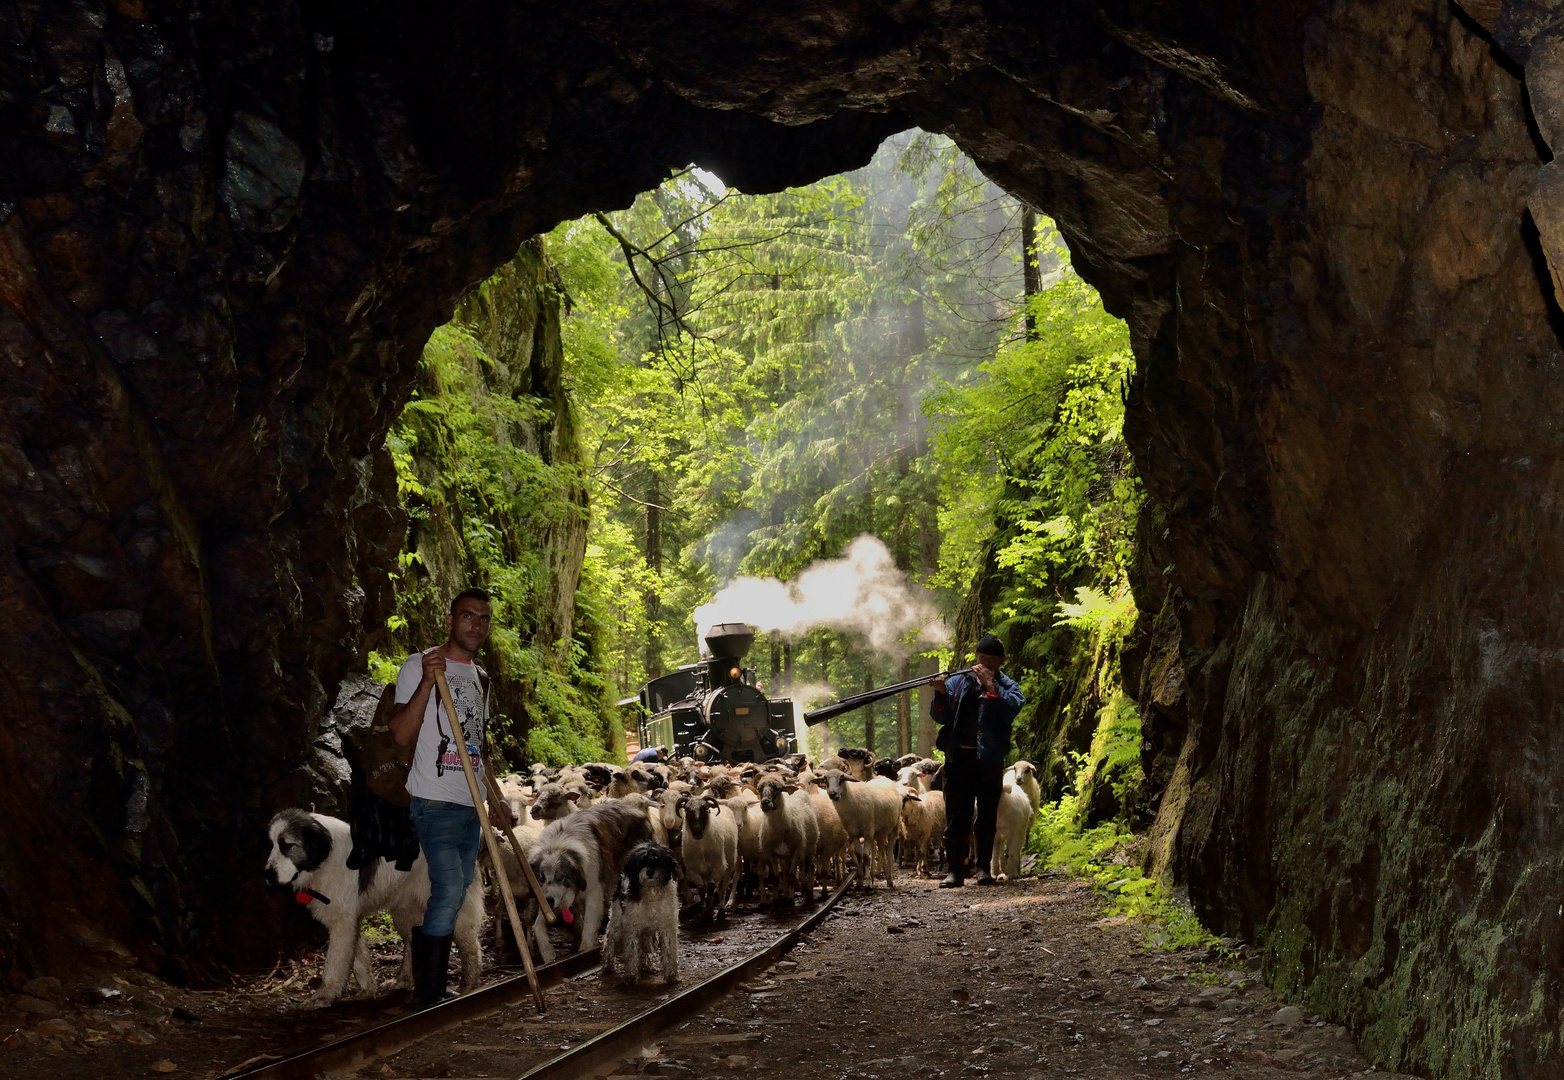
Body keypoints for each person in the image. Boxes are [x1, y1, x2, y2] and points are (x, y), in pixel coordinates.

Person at [388, 587, 514, 1006]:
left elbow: (478, 748)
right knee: (449, 887)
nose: (476, 625)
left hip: (471, 804)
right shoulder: (420, 665)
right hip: (435, 799)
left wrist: (495, 798)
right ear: (450, 620)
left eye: (484, 619)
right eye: (467, 616)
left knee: (456, 890)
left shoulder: (479, 678)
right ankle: (428, 993)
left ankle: (427, 982)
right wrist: (427, 681)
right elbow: (401, 732)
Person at [929, 633, 1025, 888]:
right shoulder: (958, 682)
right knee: (955, 816)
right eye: (982, 659)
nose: (986, 665)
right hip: (958, 759)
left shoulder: (1007, 685)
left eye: (991, 661)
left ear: (1001, 661)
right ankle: (955, 872)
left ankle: (983, 869)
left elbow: (1013, 708)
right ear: (975, 656)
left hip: (989, 761)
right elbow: (941, 717)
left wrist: (992, 687)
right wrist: (940, 694)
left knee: (986, 816)